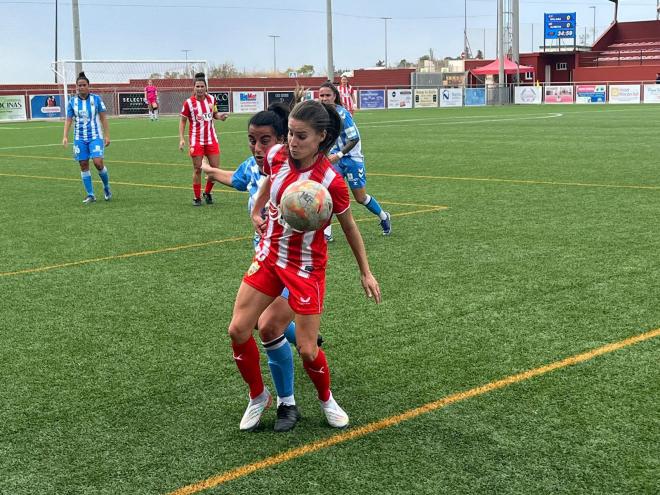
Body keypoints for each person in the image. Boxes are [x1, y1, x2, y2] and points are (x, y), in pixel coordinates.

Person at [227, 100, 382, 431]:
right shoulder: (277, 157)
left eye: (300, 136)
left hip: (305, 268)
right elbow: (268, 181)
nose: (292, 143)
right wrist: (257, 210)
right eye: (289, 135)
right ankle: (258, 396)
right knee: (238, 330)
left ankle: (326, 399)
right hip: (269, 257)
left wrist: (365, 272)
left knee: (309, 350)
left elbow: (350, 228)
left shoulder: (331, 182)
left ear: (321, 137)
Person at [202, 103, 307, 432]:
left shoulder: (299, 176)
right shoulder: (251, 168)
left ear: (283, 140)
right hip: (262, 262)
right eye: (252, 140)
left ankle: (287, 403)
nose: (258, 149)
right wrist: (207, 169)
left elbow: (320, 213)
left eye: (265, 141)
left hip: (295, 264)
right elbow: (234, 178)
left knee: (269, 327)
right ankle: (259, 393)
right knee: (241, 329)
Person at [318, 82, 391, 240]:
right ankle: (326, 233)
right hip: (334, 161)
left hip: (351, 159)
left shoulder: (342, 114)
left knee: (360, 198)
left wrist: (339, 155)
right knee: (328, 194)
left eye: (327, 95)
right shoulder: (321, 115)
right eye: (321, 95)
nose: (324, 98)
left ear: (335, 96)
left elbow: (354, 138)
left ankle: (384, 216)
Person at [179, 72, 228, 206]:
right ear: (193, 88)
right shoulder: (188, 103)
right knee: (197, 169)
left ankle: (207, 192)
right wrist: (182, 138)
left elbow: (214, 114)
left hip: (211, 139)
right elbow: (183, 121)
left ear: (206, 88)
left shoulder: (212, 100)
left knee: (214, 169)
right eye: (197, 86)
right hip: (196, 140)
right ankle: (197, 197)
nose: (200, 89)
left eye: (202, 86)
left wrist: (220, 117)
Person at [62, 72, 112, 204]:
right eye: (79, 85)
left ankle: (106, 186)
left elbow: (103, 118)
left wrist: (107, 135)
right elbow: (68, 120)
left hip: (95, 136)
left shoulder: (96, 99)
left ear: (88, 86)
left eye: (84, 85)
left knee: (98, 163)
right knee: (83, 165)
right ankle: (91, 195)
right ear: (76, 87)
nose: (81, 87)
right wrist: (65, 136)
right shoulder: (72, 102)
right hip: (79, 138)